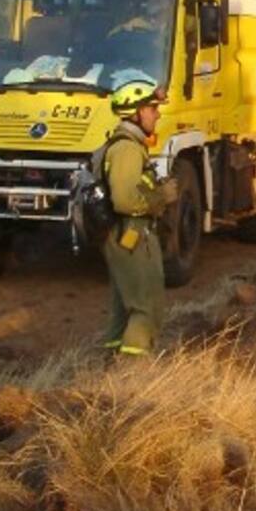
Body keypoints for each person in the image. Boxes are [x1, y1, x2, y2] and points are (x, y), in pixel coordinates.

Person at [97, 78, 179, 356]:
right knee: (147, 309)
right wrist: (162, 196)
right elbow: (124, 200)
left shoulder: (126, 145)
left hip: (123, 235)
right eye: (152, 109)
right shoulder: (127, 149)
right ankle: (134, 371)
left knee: (124, 309)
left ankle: (111, 366)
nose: (157, 115)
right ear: (137, 112)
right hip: (132, 235)